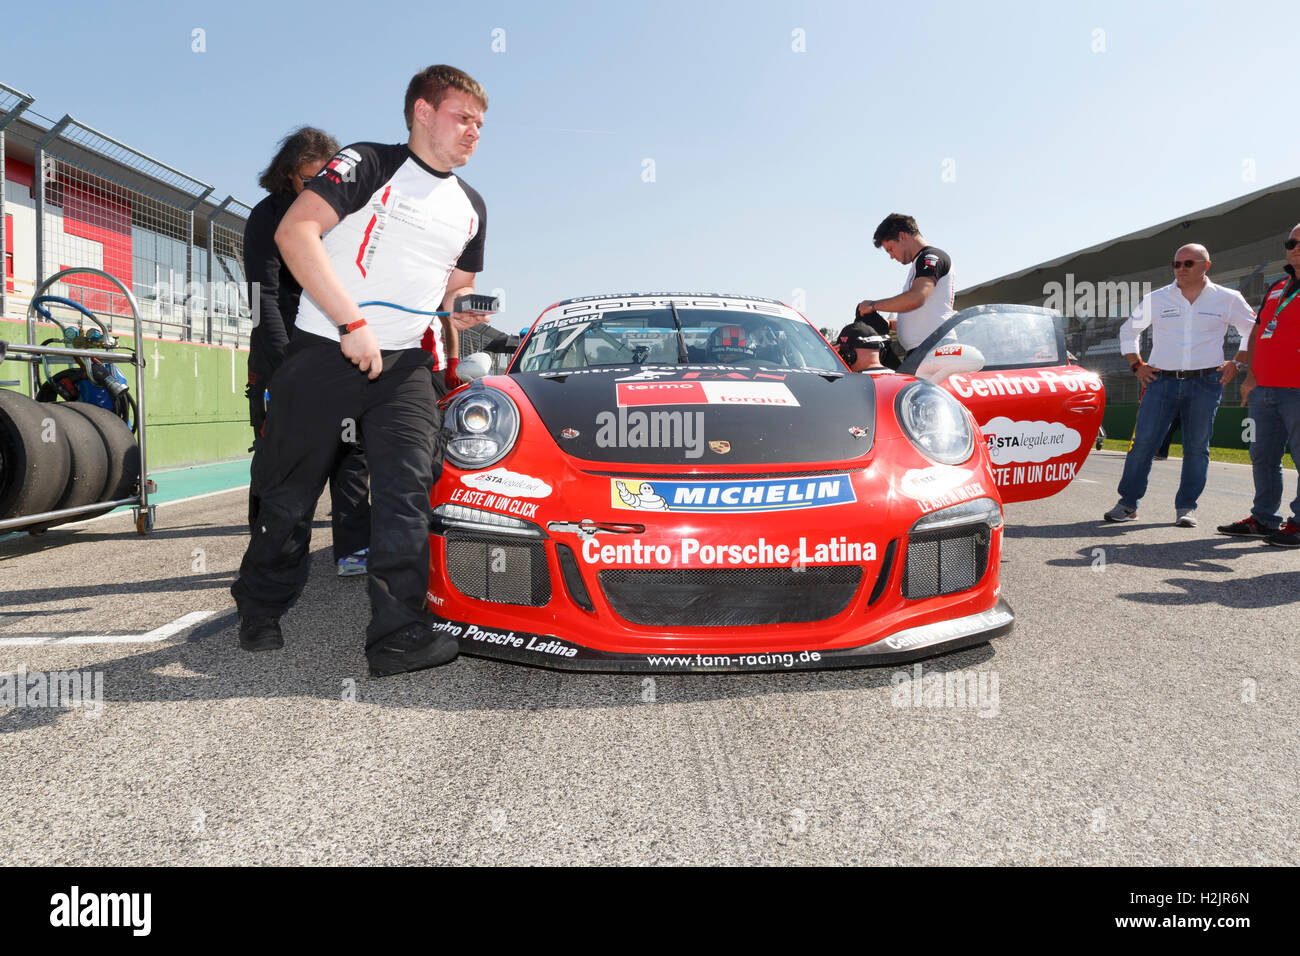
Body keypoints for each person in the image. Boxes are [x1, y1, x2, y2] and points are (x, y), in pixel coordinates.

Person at [232, 65, 491, 677]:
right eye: (463, 117)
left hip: (404, 366)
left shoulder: (471, 206)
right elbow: (298, 233)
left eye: (481, 123)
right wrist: (352, 324)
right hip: (325, 347)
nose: (474, 132)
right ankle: (260, 604)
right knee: (288, 495)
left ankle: (397, 635)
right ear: (423, 112)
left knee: (406, 494)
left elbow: (457, 292)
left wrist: (467, 314)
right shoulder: (366, 163)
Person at [244, 127, 371, 577]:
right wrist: (285, 367)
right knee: (278, 458)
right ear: (286, 176)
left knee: (350, 451)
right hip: (280, 351)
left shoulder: (344, 216)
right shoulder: (267, 216)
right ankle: (268, 555)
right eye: (305, 180)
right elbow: (262, 299)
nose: (314, 189)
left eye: (322, 180)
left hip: (335, 347)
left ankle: (353, 550)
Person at [1104, 244, 1255, 526]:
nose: (1181, 269)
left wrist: (1238, 362)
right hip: (1160, 381)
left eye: (1188, 263)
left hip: (1207, 382)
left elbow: (1252, 329)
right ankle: (1127, 504)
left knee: (1197, 447)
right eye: (1176, 264)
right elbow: (1129, 331)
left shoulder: (1228, 298)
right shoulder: (1157, 298)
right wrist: (1137, 365)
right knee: (1143, 443)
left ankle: (1186, 508)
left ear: (1206, 266)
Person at [1217, 223, 1300, 547]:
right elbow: (1256, 331)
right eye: (1291, 242)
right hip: (1264, 388)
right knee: (1262, 456)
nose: (1295, 246)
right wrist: (1251, 377)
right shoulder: (1277, 286)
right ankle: (1264, 519)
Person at [857, 214, 956, 358]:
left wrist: (873, 305)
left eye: (890, 248)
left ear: (902, 236)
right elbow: (923, 315)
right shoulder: (918, 264)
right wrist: (890, 324)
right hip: (924, 350)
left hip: (936, 349)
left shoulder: (931, 257)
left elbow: (916, 297)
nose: (891, 256)